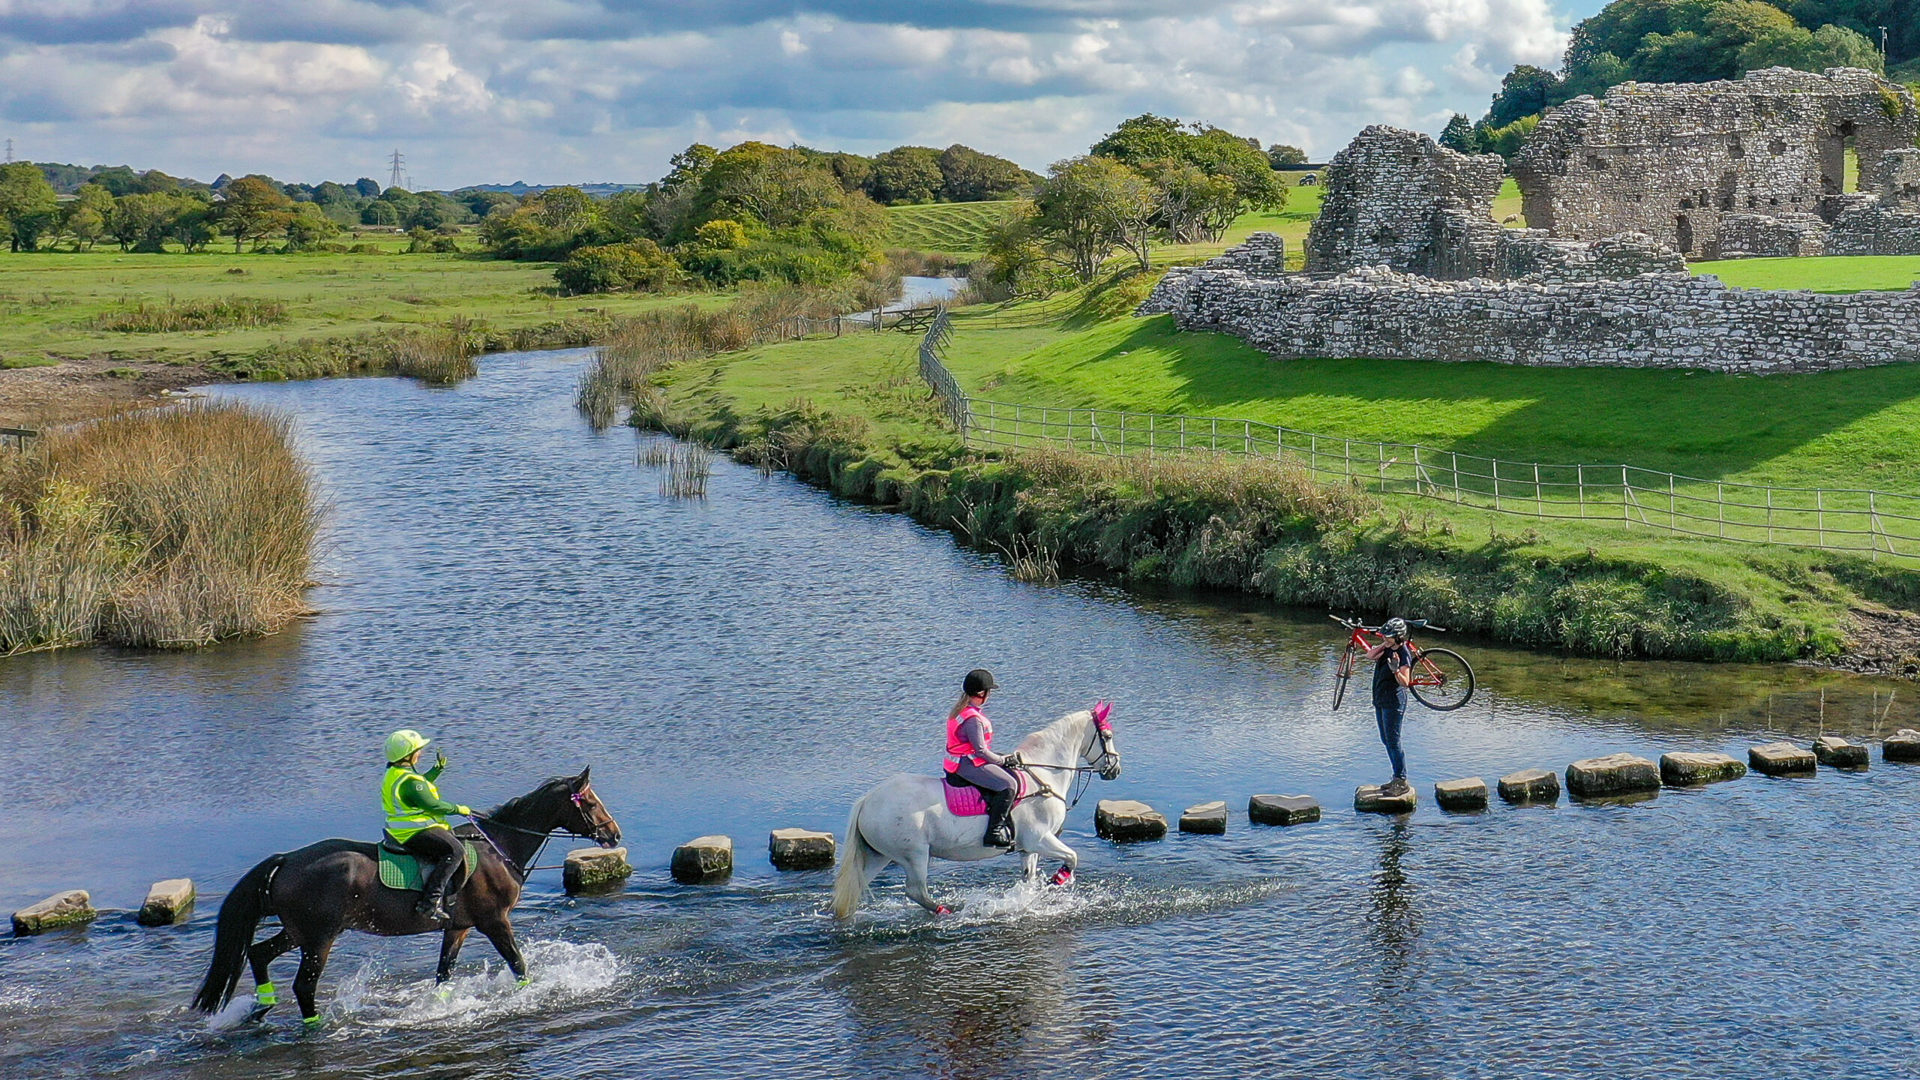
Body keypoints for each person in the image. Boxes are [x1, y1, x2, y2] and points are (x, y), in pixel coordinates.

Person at [381, 729, 474, 921]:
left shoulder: (396, 773)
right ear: (407, 755)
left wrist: (436, 770)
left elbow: (421, 786)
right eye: (418, 750)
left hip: (400, 829)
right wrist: (459, 809)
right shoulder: (409, 781)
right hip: (414, 830)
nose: (420, 753)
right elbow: (432, 804)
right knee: (455, 851)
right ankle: (430, 902)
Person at [943, 668, 1021, 848]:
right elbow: (980, 751)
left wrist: (1002, 757)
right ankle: (993, 832)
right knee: (1009, 784)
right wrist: (1002, 760)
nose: (990, 696)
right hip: (966, 764)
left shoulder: (961, 710)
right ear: (981, 693)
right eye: (989, 692)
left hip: (959, 760)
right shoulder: (973, 719)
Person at [1366, 619, 1415, 797]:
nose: (1385, 638)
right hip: (1380, 699)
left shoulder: (1403, 653)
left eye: (1389, 636)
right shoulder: (1387, 648)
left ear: (1398, 636)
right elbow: (1369, 656)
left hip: (1394, 702)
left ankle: (1401, 780)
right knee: (1385, 740)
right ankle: (1396, 777)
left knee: (1394, 742)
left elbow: (1406, 682)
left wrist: (1395, 670)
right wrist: (1384, 644)